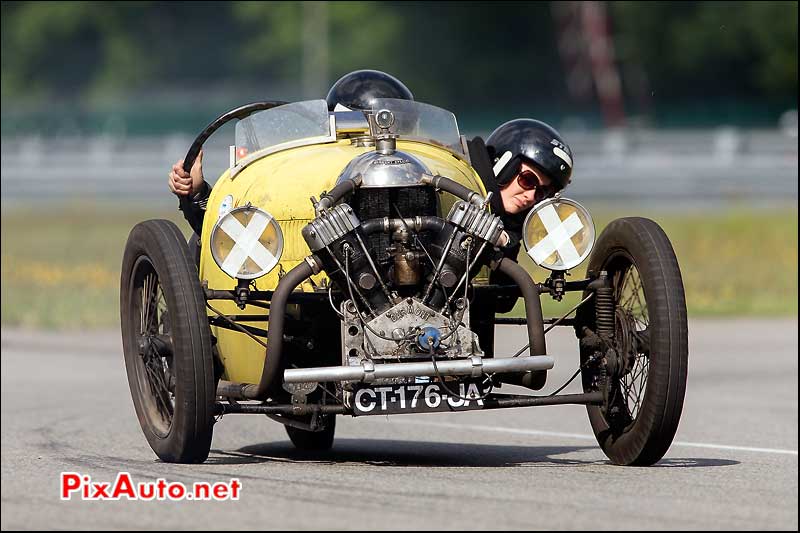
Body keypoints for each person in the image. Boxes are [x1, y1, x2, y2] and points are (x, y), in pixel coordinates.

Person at [168, 69, 415, 232]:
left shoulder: (432, 169)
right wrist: (198, 194)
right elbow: (238, 241)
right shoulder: (306, 180)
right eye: (353, 137)